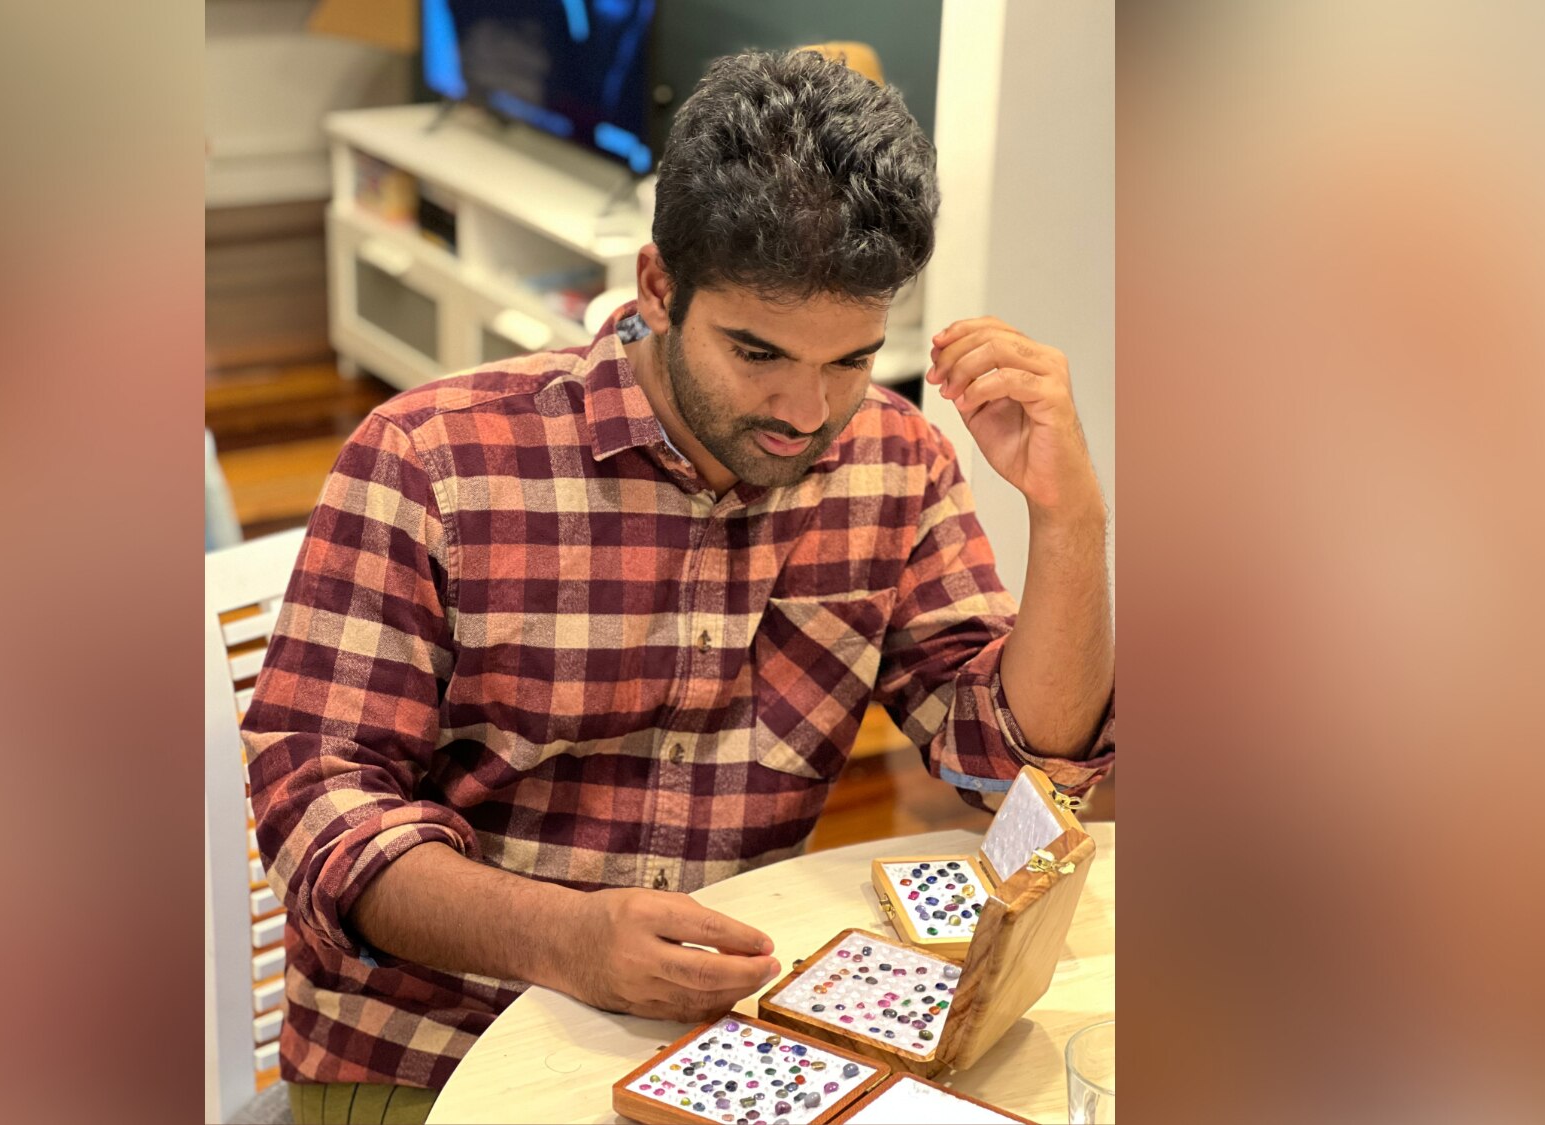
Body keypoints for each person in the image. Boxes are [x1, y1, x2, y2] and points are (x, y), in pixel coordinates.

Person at [243, 48, 1115, 1124]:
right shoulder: (430, 458)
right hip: (433, 1051)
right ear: (658, 288)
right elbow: (316, 812)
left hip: (731, 1039)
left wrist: (1069, 519)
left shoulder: (895, 460)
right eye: (756, 353)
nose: (805, 412)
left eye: (848, 360)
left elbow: (1011, 765)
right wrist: (565, 935)